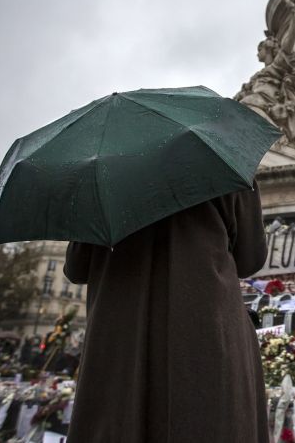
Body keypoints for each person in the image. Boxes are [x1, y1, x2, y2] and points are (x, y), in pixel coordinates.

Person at [63, 183, 269, 442]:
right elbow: (251, 257)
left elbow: (76, 268)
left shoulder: (98, 174)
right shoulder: (219, 160)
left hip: (120, 335)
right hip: (207, 328)